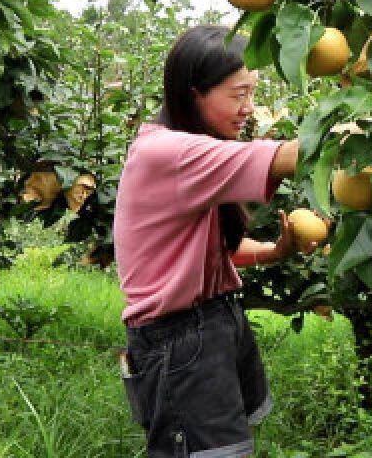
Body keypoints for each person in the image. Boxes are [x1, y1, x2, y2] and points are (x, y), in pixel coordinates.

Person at [114, 24, 314, 458]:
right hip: (179, 337)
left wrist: (275, 252)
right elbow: (290, 156)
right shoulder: (167, 152)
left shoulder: (193, 147)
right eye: (238, 94)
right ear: (194, 94)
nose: (249, 107)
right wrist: (370, 136)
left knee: (231, 444)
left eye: (252, 93)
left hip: (215, 321)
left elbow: (203, 254)